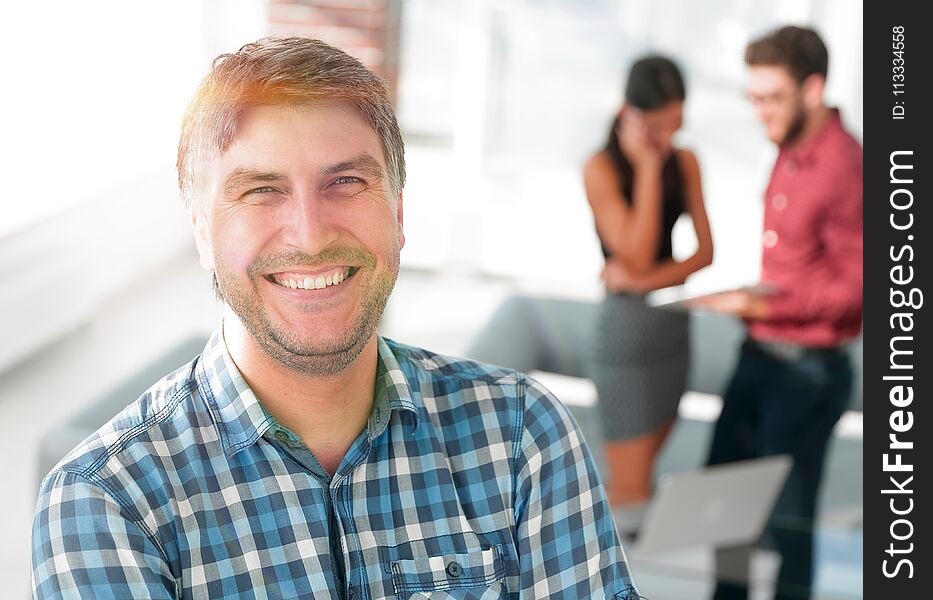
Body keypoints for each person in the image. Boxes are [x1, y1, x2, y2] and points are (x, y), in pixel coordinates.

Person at [31, 37, 641, 599]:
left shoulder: (521, 435)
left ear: (398, 213)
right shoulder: (105, 504)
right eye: (261, 191)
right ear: (201, 229)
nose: (311, 233)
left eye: (345, 182)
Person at [693, 26, 863, 600]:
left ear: (812, 90)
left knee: (788, 525)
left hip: (808, 370)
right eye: (753, 98)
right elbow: (799, 263)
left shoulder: (846, 165)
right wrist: (749, 299)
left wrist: (768, 300)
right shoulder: (789, 148)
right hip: (760, 354)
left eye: (771, 98)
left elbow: (860, 286)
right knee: (724, 512)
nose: (759, 112)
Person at [583, 56, 713, 508]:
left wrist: (645, 283)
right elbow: (634, 252)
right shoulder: (601, 167)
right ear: (630, 115)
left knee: (646, 480)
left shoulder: (687, 161)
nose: (670, 137)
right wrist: (649, 169)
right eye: (659, 126)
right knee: (629, 490)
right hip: (626, 336)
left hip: (672, 327)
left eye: (676, 123)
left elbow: (704, 253)